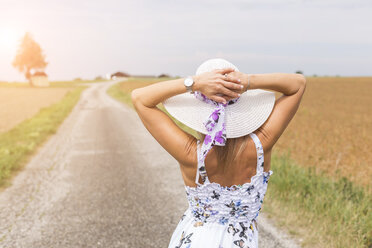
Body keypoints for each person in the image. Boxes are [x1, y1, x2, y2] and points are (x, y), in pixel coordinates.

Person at [131, 58, 306, 248]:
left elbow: (140, 98)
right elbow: (298, 84)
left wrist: (195, 83)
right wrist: (245, 82)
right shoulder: (261, 144)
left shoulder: (191, 154)